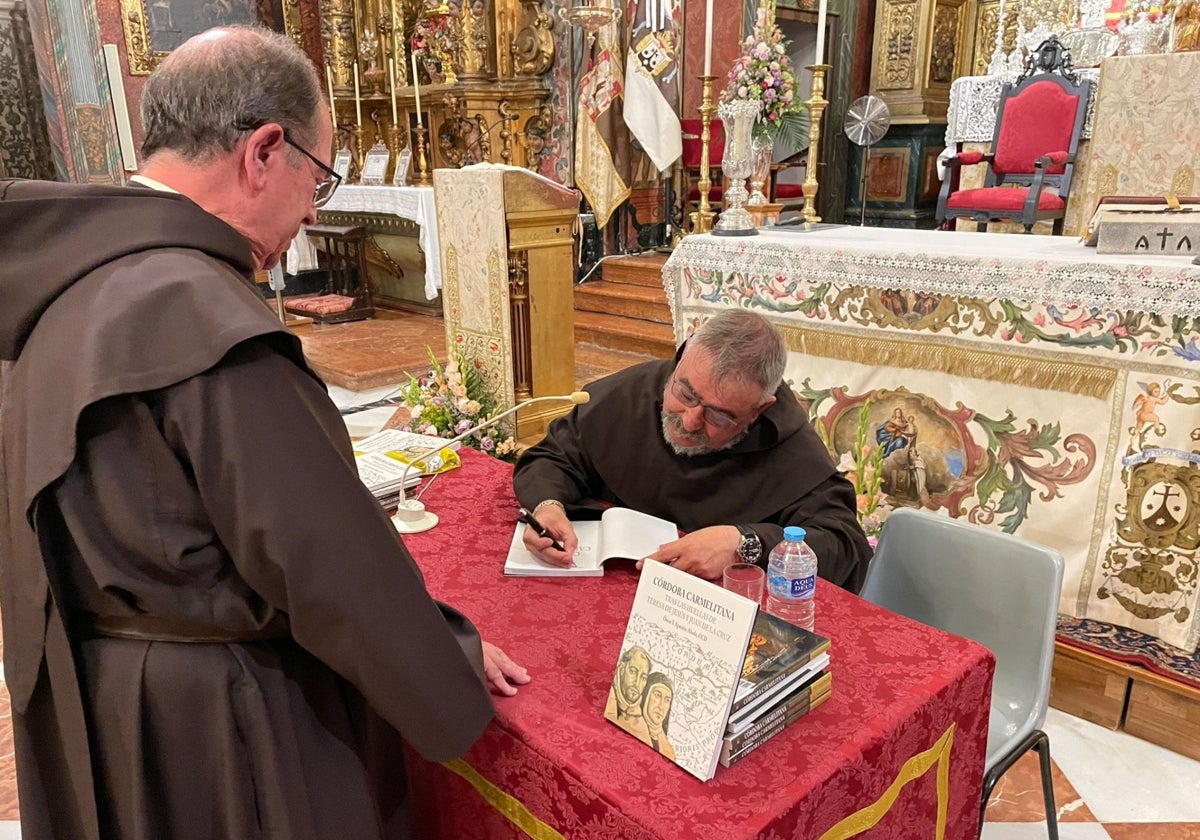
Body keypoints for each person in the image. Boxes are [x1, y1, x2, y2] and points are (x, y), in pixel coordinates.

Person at [0, 26, 526, 840]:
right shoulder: (197, 316)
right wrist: (447, 658)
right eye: (318, 177)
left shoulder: (65, 287)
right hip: (222, 730)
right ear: (264, 152)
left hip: (103, 705)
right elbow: (325, 566)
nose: (314, 208)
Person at [514, 309, 870, 591]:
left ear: (759, 410)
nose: (689, 422)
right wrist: (548, 506)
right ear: (681, 358)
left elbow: (843, 547)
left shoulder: (790, 448)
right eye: (685, 394)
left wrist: (743, 542)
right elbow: (552, 457)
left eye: (718, 415)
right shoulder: (629, 394)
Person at [603, 645, 650, 728]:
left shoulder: (641, 724)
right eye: (633, 671)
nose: (637, 683)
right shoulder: (607, 696)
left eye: (643, 677)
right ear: (622, 669)